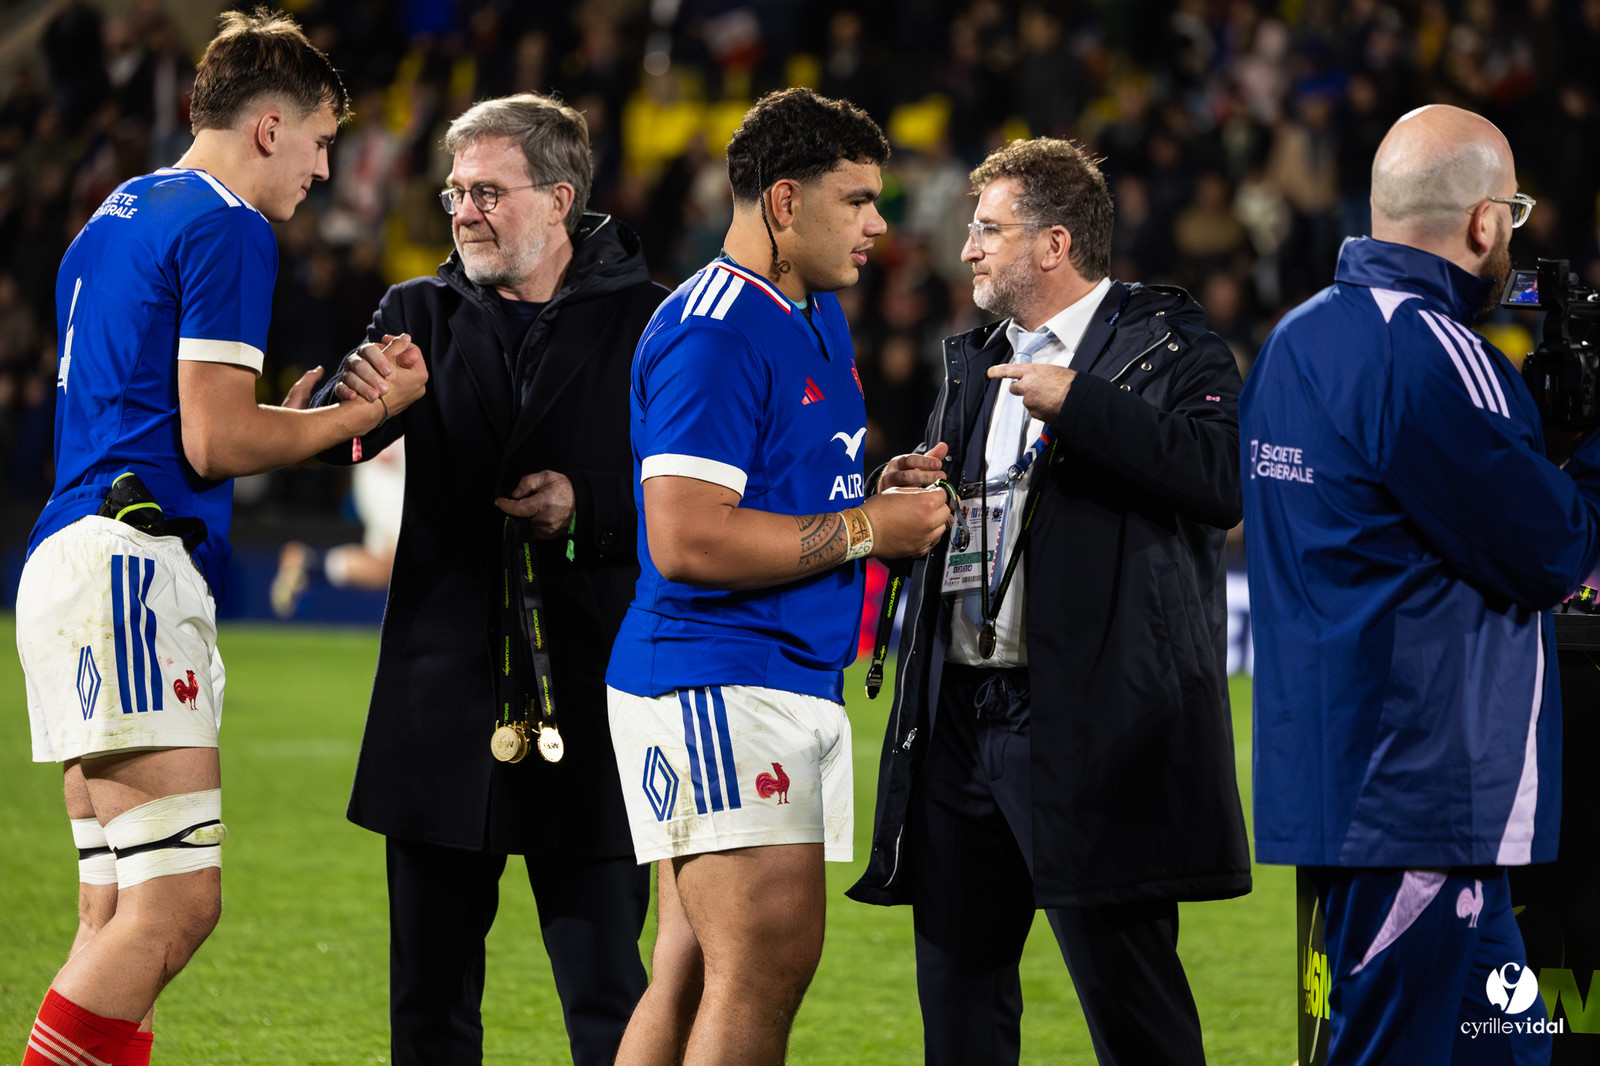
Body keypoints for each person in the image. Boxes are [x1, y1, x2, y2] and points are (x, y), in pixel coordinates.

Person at [12, 11, 426, 1066]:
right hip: (131, 565)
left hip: (69, 558)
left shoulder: (109, 218)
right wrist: (353, 419)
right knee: (177, 906)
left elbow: (177, 423)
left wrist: (285, 426)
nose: (326, 169)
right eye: (324, 140)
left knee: (115, 912)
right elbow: (213, 434)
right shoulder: (228, 221)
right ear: (269, 126)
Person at [847, 137, 1252, 1066]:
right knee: (958, 1006)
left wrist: (1083, 405)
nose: (969, 250)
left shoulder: (1169, 344)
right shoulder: (974, 362)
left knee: (1130, 1004)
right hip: (958, 718)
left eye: (988, 229)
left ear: (1054, 243)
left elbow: (1222, 481)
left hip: (1085, 724)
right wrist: (910, 490)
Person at [603, 87, 954, 1066]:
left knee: (688, 967)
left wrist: (866, 492)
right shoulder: (714, 332)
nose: (879, 224)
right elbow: (686, 539)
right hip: (715, 675)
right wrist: (863, 527)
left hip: (769, 673)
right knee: (760, 967)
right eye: (857, 200)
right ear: (786, 203)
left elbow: (780, 487)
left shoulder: (810, 313)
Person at [312, 92, 664, 1066]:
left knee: (610, 996)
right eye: (455, 190)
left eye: (487, 191)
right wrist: (328, 405)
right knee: (428, 1006)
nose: (463, 210)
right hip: (442, 700)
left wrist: (588, 502)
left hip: (591, 693)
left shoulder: (653, 321)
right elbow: (337, 429)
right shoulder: (415, 311)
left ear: (557, 199)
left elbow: (703, 495)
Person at [1244, 103, 1600, 1064]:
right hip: (1420, 797)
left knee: (1508, 1053)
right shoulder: (1442, 353)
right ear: (1485, 223)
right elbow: (1554, 553)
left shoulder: (1295, 340)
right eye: (1512, 214)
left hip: (1347, 775)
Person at [269, 437, 404, 617]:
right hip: (388, 478)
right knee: (406, 561)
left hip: (393, 476)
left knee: (386, 568)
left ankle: (311, 565)